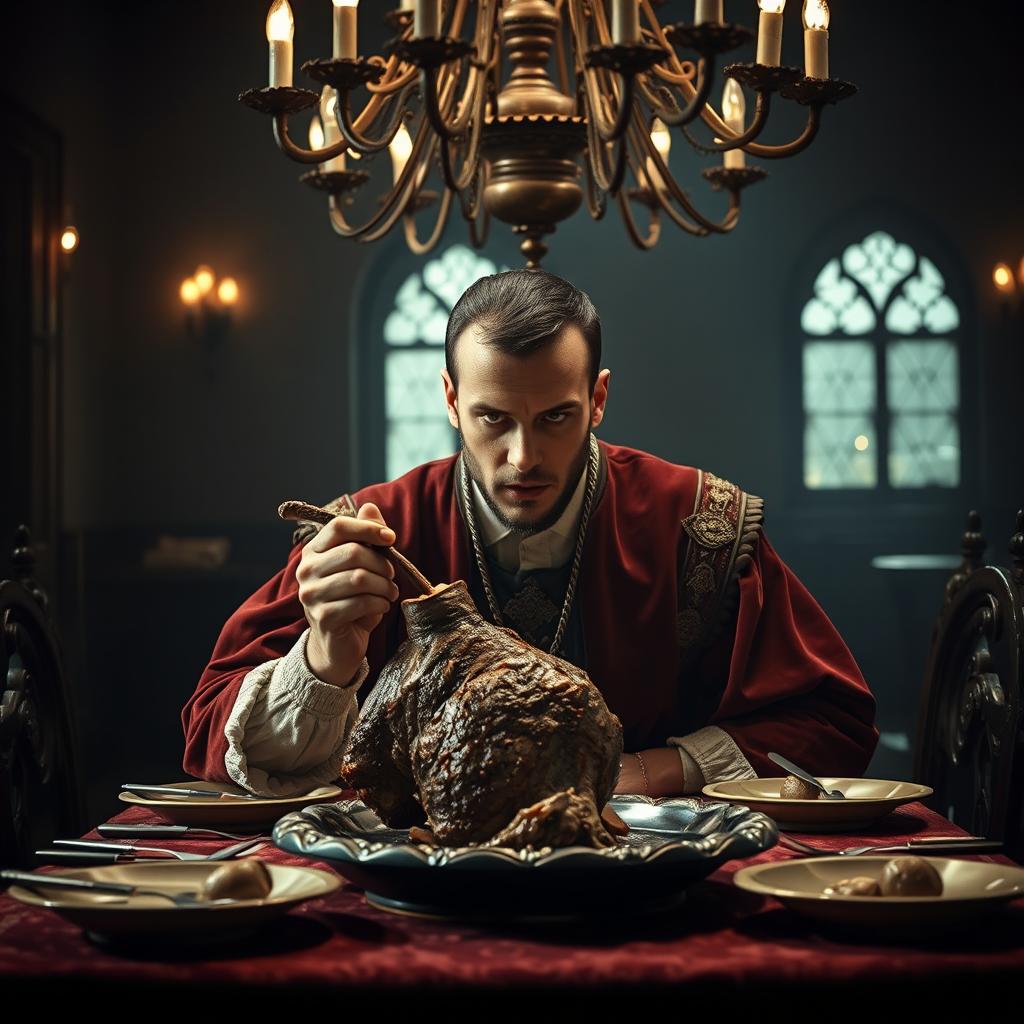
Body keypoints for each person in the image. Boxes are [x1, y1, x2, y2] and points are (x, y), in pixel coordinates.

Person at [181, 270, 879, 800]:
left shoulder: (699, 527)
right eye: (493, 419)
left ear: (598, 399)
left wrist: (638, 774)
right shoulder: (366, 535)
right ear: (451, 401)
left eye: (554, 418)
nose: (522, 458)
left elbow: (832, 727)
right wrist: (328, 658)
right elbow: (212, 733)